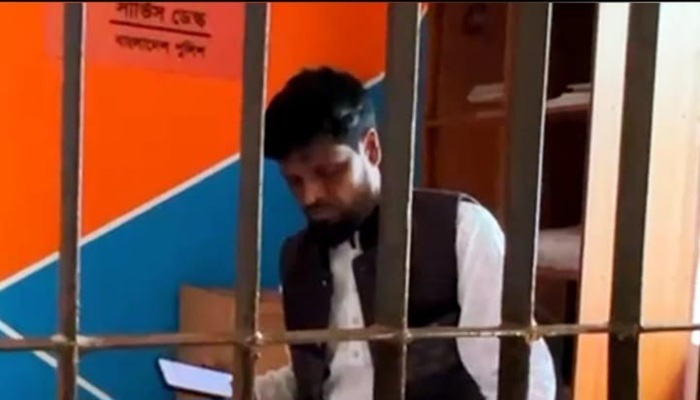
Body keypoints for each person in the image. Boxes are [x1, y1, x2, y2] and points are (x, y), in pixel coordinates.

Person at [253, 66, 557, 400]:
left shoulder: (458, 227)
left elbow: (520, 377)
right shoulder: (297, 258)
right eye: (294, 181)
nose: (310, 196)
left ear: (371, 149)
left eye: (328, 172)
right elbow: (325, 376)